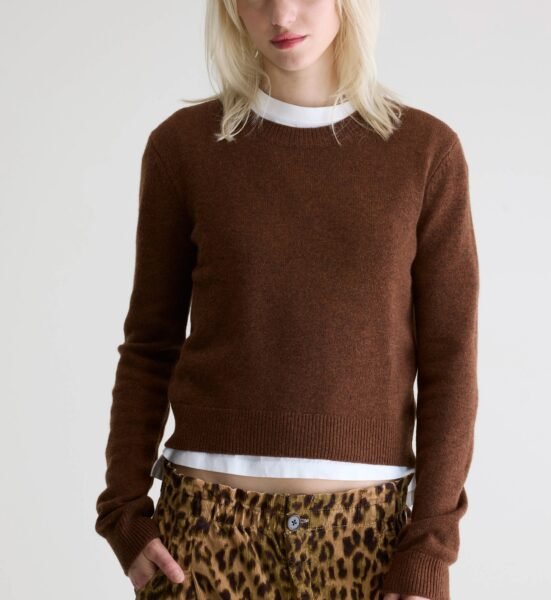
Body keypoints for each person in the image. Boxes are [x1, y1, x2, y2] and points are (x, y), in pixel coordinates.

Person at [95, 1, 480, 599]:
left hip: (368, 542)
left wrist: (430, 548)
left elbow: (451, 363)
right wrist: (123, 511)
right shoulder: (184, 147)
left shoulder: (426, 152)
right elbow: (149, 345)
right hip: (203, 536)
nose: (281, 13)